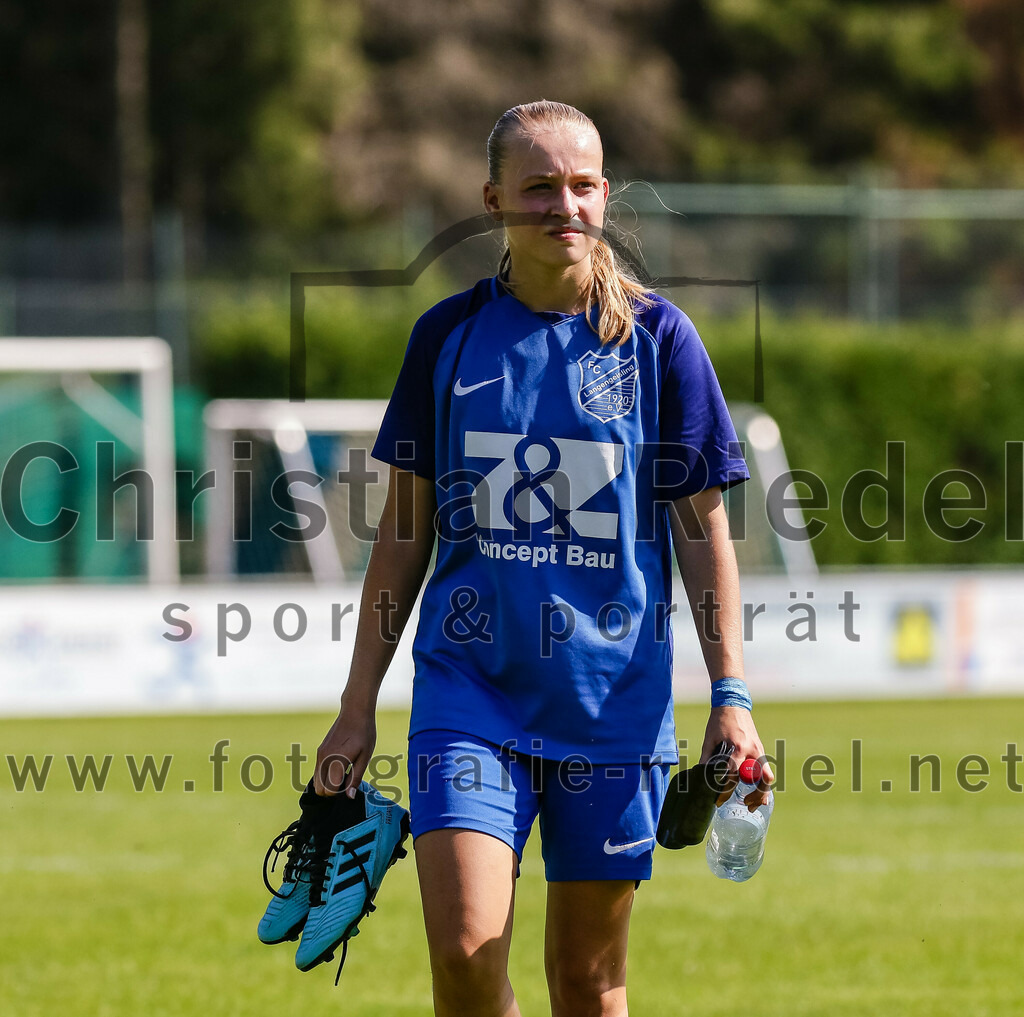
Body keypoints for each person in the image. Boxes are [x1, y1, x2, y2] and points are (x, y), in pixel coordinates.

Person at [312, 100, 775, 1017]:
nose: (565, 205)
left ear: (607, 195)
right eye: (539, 186)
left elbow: (702, 530)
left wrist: (732, 694)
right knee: (467, 951)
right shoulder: (445, 338)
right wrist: (354, 707)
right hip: (468, 693)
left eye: (584, 185)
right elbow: (404, 533)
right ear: (493, 201)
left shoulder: (661, 341)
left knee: (589, 980)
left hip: (612, 703)